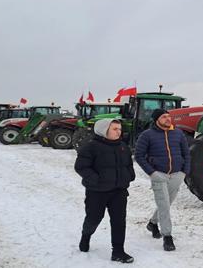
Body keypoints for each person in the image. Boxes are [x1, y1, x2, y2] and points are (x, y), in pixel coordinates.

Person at [75, 119, 135, 263]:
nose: (118, 131)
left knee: (119, 221)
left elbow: (129, 164)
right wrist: (96, 179)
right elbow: (81, 167)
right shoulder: (91, 147)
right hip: (97, 192)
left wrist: (129, 176)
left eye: (119, 129)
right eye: (114, 129)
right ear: (103, 130)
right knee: (94, 218)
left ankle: (118, 251)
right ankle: (86, 236)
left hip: (119, 191)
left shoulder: (123, 146)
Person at [134, 109, 190, 252]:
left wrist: (184, 172)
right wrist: (152, 173)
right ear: (156, 119)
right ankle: (167, 237)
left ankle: (153, 223)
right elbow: (139, 155)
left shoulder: (178, 133)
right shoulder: (147, 135)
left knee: (167, 203)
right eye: (164, 117)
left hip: (177, 174)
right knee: (164, 205)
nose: (168, 119)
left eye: (168, 116)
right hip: (159, 175)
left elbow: (186, 153)